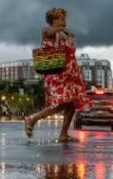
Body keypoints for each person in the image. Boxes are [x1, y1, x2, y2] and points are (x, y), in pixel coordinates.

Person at [24, 8, 89, 142]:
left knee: (71, 104)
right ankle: (32, 119)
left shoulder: (61, 36)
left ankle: (63, 134)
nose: (64, 21)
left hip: (69, 75)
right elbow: (49, 31)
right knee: (60, 104)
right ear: (54, 20)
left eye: (64, 19)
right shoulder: (49, 31)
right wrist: (62, 29)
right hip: (58, 75)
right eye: (61, 18)